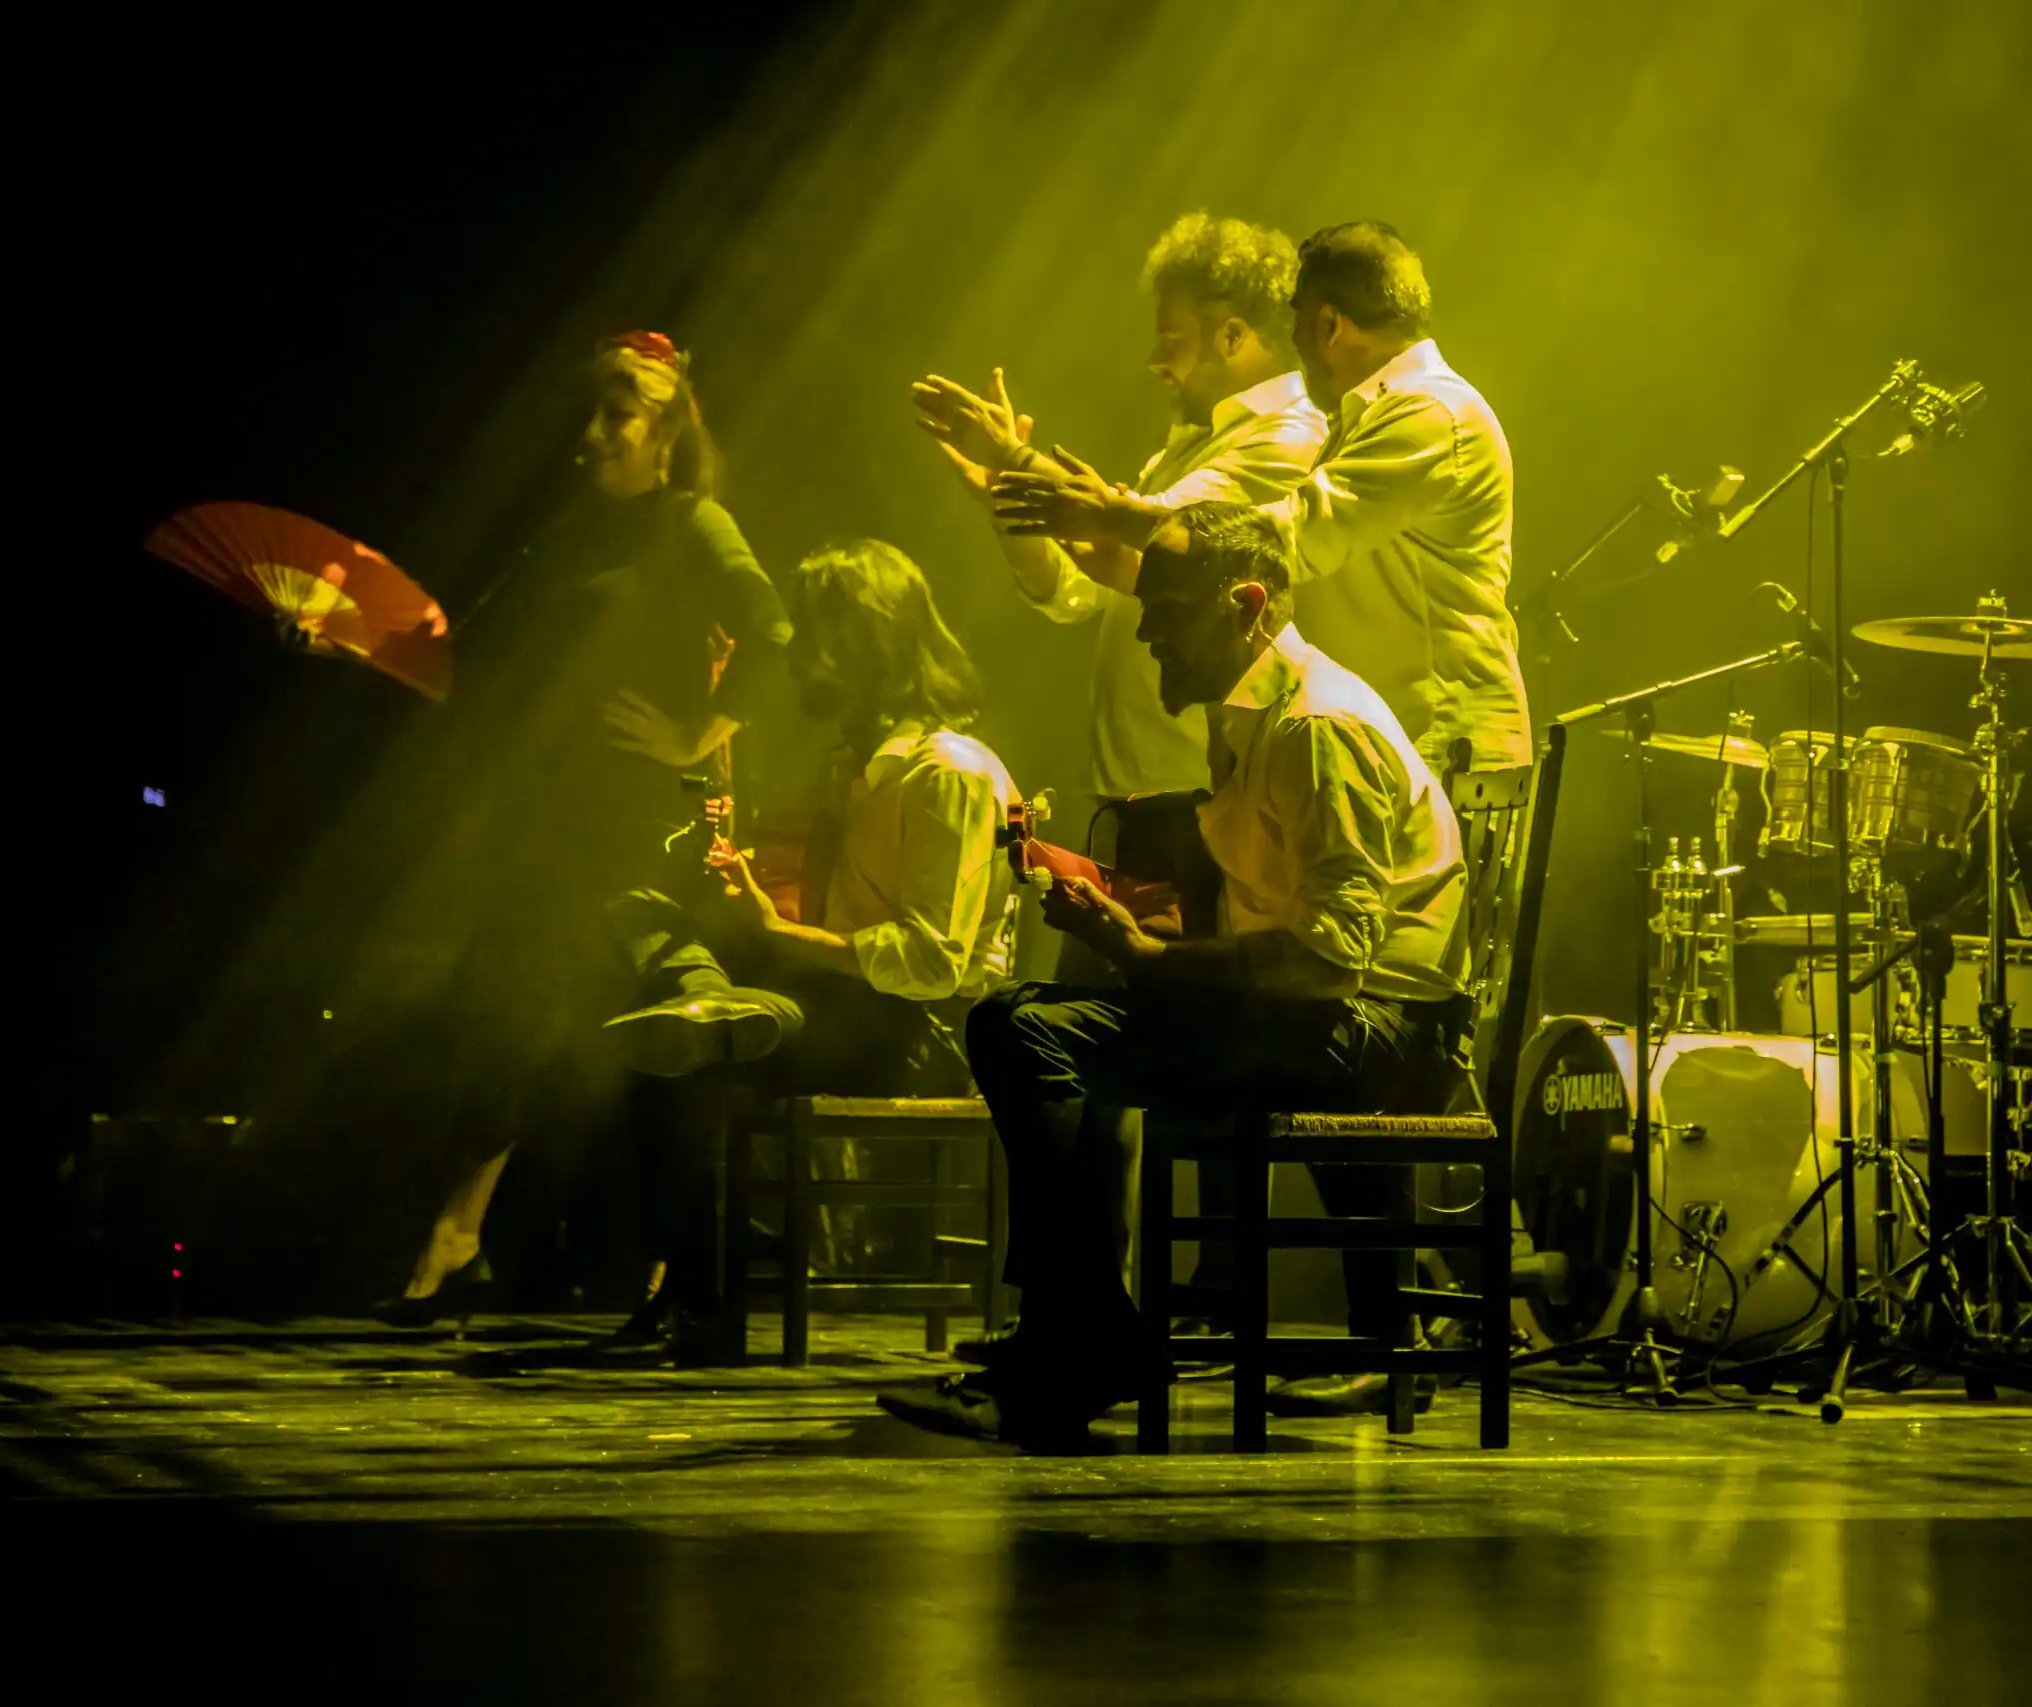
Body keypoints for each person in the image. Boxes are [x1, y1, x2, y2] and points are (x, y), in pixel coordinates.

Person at [879, 502, 1470, 1444]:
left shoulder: (1316, 726)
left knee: (1025, 1029)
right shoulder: (1255, 716)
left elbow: (1332, 953)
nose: (1146, 629)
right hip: (1325, 1017)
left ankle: (1076, 1345)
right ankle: (1077, 1330)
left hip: (1375, 1033)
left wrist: (1149, 956)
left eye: (1167, 607)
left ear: (1247, 605)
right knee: (1034, 1019)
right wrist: (1122, 906)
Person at [374, 331, 792, 1325]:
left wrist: (694, 736)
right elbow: (474, 660)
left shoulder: (692, 522)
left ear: (665, 430)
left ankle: (497, 1243)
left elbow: (774, 632)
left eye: (617, 415)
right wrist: (348, 643)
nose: (593, 433)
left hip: (632, 824)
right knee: (516, 1021)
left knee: (555, 1019)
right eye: (591, 414)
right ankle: (482, 1241)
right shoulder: (572, 535)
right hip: (551, 810)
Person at [600, 539, 1024, 1359]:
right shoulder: (855, 768)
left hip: (922, 1030)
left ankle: (702, 1302)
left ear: (866, 644)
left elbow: (933, 961)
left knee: (692, 1064)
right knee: (652, 965)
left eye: (813, 634)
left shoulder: (948, 772)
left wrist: (780, 935)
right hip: (841, 1003)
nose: (796, 656)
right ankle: (708, 1004)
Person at [911, 211, 1326, 976]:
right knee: (1092, 1021)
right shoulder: (1192, 445)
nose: (1153, 360)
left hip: (1200, 805)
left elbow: (1170, 543)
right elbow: (1076, 589)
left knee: (1139, 1024)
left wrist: (1016, 462)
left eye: (1171, 339)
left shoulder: (1287, 437)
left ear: (1233, 336)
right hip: (1145, 804)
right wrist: (1008, 492)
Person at [990, 220, 1530, 775]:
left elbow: (1288, 537)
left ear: (1329, 325)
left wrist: (1116, 516)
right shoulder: (1369, 414)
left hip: (1441, 742)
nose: (1291, 343)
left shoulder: (1429, 412)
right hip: (1401, 739)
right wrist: (1134, 564)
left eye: (1295, 319)